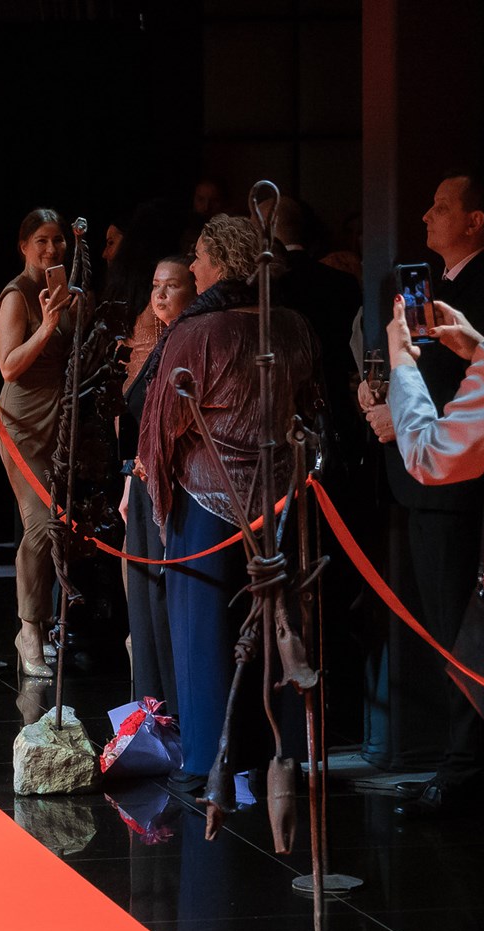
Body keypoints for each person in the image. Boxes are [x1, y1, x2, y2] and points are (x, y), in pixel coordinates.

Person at [137, 214, 317, 792]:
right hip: (280, 500)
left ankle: (205, 764)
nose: (192, 266)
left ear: (223, 263)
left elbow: (162, 421)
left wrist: (153, 481)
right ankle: (278, 755)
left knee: (204, 635)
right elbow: (308, 404)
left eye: (199, 256)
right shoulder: (292, 325)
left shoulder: (198, 331)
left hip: (207, 500)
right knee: (275, 627)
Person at [359, 172, 484, 816]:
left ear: (476, 221)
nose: (426, 215)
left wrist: (400, 376)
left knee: (467, 640)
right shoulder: (471, 313)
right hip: (445, 486)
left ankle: (464, 770)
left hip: (465, 492)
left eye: (442, 206)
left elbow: (440, 447)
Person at [0, 208, 76, 677]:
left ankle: (48, 623)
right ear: (24, 245)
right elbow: (8, 366)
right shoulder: (17, 294)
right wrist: (45, 326)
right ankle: (28, 628)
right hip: (22, 422)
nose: (51, 248)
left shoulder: (66, 289)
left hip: (60, 419)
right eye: (42, 240)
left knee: (60, 526)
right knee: (41, 522)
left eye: (58, 240)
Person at [119, 256, 196, 719]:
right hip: (142, 479)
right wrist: (131, 478)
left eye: (172, 286)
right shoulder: (155, 340)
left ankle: (177, 715)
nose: (160, 295)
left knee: (164, 604)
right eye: (155, 285)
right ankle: (152, 715)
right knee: (144, 605)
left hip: (176, 483)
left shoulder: (190, 339)